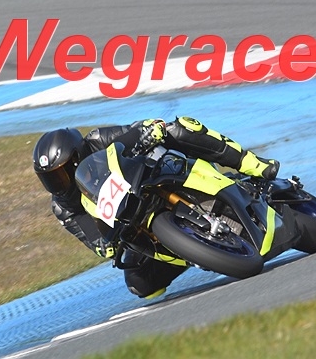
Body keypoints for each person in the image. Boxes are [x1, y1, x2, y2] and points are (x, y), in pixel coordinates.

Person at [32, 116, 279, 299]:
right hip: (132, 221)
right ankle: (194, 251)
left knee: (180, 128)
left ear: (77, 157)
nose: (59, 184)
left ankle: (252, 163)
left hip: (151, 178)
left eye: (62, 173)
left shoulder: (98, 140)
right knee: (139, 284)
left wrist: (149, 131)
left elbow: (136, 130)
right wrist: (106, 246)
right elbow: (96, 241)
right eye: (51, 179)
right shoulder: (64, 208)